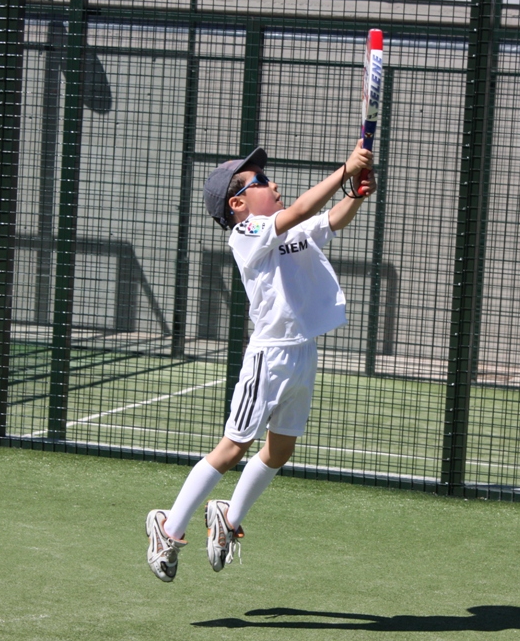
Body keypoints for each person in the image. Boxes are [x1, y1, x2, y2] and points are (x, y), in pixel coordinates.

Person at [145, 141, 374, 582]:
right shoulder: (246, 233)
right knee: (234, 448)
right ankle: (168, 527)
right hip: (268, 357)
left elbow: (330, 219)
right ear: (238, 203)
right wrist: (345, 169)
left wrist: (355, 194)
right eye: (263, 181)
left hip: (303, 350)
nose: (275, 184)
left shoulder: (287, 229)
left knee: (281, 449)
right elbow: (303, 207)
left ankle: (227, 519)